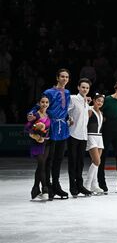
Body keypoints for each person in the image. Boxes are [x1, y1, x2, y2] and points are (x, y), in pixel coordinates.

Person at [27, 69, 71, 200]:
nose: (64, 79)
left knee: (58, 159)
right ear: (57, 78)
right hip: (50, 128)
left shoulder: (68, 93)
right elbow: (38, 106)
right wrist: (31, 114)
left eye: (67, 77)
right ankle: (47, 186)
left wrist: (69, 118)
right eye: (62, 76)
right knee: (48, 160)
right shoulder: (48, 92)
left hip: (63, 129)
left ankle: (56, 185)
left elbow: (65, 109)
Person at [67, 78, 92, 198]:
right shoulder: (73, 98)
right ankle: (73, 187)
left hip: (83, 135)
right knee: (73, 162)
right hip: (73, 134)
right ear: (78, 87)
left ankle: (80, 185)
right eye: (83, 87)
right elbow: (65, 111)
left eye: (87, 88)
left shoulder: (85, 102)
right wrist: (68, 119)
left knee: (81, 162)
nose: (85, 89)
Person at [26, 95, 51, 200]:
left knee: (42, 166)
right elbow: (27, 129)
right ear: (39, 103)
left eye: (46, 102)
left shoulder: (48, 115)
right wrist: (36, 137)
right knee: (41, 164)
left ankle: (35, 189)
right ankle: (45, 189)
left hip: (46, 143)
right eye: (42, 102)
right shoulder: (35, 115)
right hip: (37, 144)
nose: (44, 104)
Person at [83, 94, 105, 195]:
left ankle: (94, 185)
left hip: (99, 137)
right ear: (94, 100)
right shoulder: (90, 110)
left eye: (102, 101)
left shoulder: (101, 112)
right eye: (98, 100)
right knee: (97, 161)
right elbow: (83, 121)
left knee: (96, 163)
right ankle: (87, 185)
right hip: (91, 136)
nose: (100, 103)